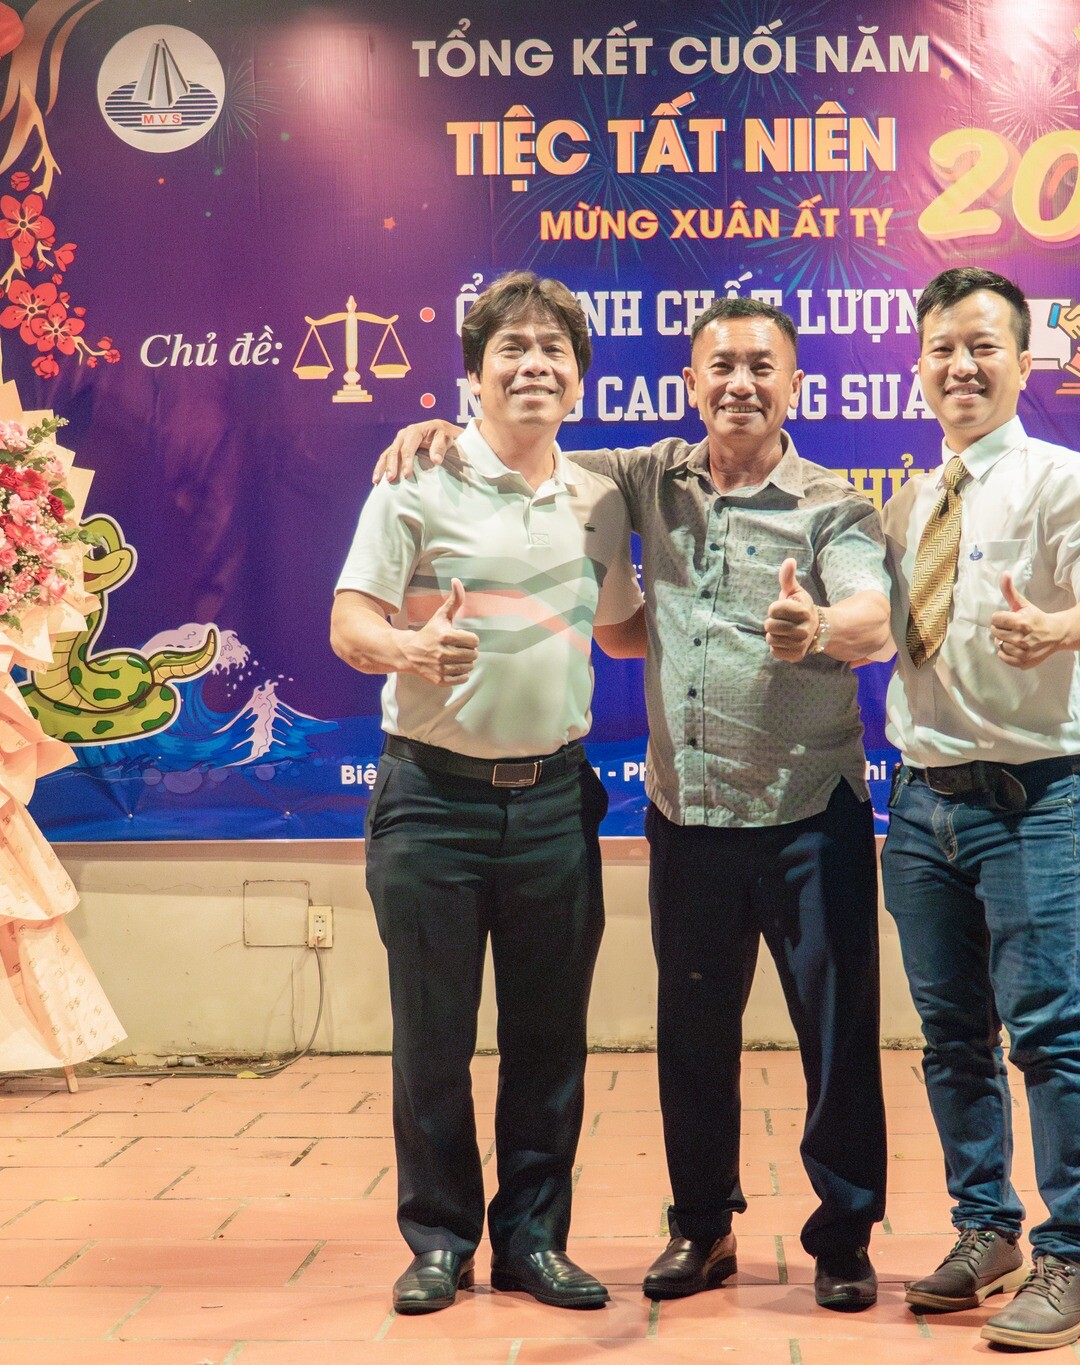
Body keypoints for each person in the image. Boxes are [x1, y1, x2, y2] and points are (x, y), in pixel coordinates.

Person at [371, 297, 894, 1312]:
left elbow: (872, 616)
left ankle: (843, 1236)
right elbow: (522, 439)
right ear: (689, 384)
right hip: (688, 817)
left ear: (795, 386)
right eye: (720, 367)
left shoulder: (835, 504)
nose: (740, 384)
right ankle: (701, 1227)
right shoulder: (645, 476)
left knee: (836, 1038)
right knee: (691, 1039)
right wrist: (438, 427)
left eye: (762, 367)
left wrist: (822, 626)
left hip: (807, 813)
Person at [330, 271, 646, 1316]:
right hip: (431, 802)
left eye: (554, 349)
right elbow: (349, 623)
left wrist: (741, 633)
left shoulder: (597, 500)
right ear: (473, 373)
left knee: (549, 1040)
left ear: (578, 379)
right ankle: (438, 1239)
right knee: (431, 1038)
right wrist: (407, 649)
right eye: (512, 347)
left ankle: (533, 1242)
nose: (533, 365)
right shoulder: (413, 481)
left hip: (555, 803)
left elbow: (621, 630)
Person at [880, 267, 1080, 1352]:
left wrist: (1062, 629)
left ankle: (1073, 1258)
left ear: (1023, 362)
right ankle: (984, 1228)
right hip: (919, 806)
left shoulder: (1063, 481)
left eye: (983, 346)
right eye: (942, 347)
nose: (961, 366)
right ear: (919, 366)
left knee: (1048, 1030)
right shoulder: (909, 503)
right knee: (952, 1037)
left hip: (1031, 800)